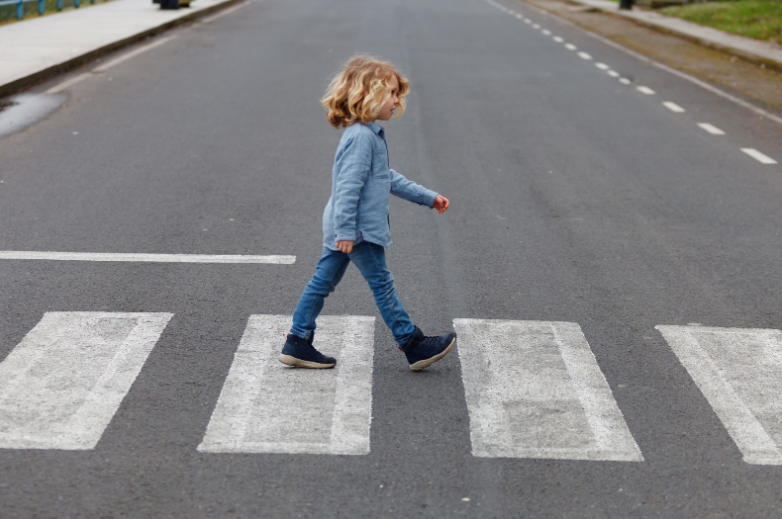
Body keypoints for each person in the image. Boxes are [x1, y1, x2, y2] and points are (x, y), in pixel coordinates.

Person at [279, 55, 456, 372]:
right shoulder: (362, 138)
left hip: (347, 227)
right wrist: (346, 231)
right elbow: (348, 188)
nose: (396, 100)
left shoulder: (367, 135)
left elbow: (387, 178)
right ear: (368, 95)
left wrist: (428, 197)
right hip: (357, 230)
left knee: (322, 282)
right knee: (382, 284)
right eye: (391, 93)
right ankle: (412, 343)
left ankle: (297, 341)